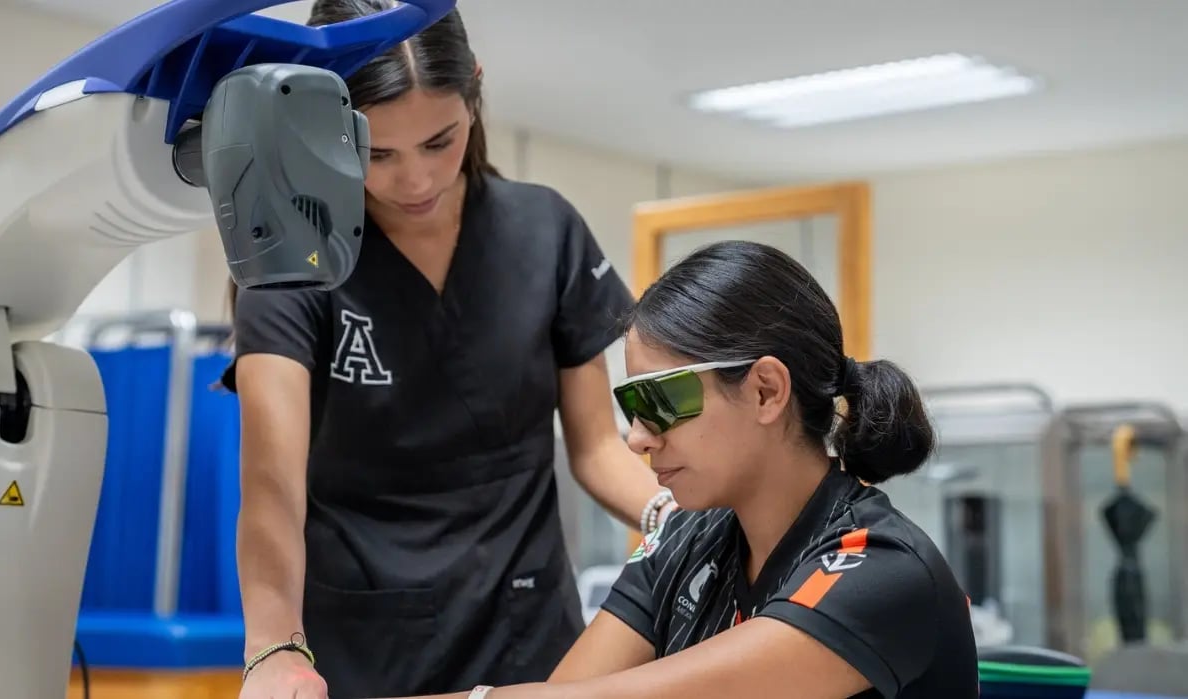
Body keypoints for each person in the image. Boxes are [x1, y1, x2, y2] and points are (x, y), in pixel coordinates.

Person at [220, 2, 673, 698]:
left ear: (475, 94)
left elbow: (595, 448)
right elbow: (271, 485)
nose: (416, 181)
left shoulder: (544, 229)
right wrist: (272, 643)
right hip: (367, 641)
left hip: (530, 630)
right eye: (375, 154)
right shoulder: (294, 261)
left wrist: (672, 518)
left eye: (440, 141)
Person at [382, 240, 981, 699]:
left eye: (660, 402)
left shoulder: (879, 568)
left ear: (767, 391)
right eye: (630, 406)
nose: (638, 439)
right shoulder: (689, 538)